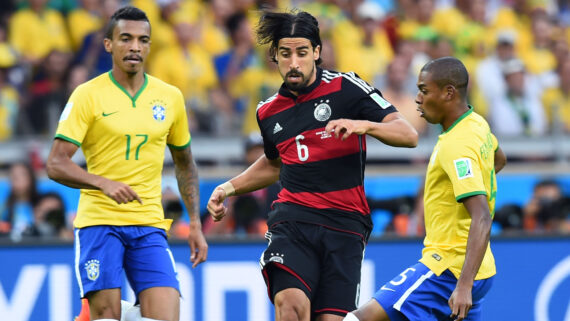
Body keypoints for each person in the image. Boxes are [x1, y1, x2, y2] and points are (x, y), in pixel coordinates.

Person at [207, 9, 418, 321]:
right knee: (290, 306)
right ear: (274, 56)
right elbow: (275, 163)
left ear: (317, 53)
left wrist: (365, 126)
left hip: (345, 225)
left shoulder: (347, 88)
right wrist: (228, 187)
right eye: (286, 53)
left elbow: (408, 135)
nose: (294, 62)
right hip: (293, 221)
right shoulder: (268, 112)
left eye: (302, 53)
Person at [46, 6, 208, 321]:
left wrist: (196, 224)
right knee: (106, 317)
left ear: (149, 46)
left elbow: (185, 163)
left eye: (142, 40)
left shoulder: (170, 97)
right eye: (126, 38)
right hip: (99, 223)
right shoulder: (87, 95)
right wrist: (103, 183)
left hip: (148, 223)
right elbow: (55, 163)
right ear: (109, 44)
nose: (135, 46)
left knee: (167, 314)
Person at [343, 57, 507, 321]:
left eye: (424, 90)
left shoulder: (457, 144)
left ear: (448, 93)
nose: (417, 98)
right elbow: (499, 159)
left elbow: (482, 216)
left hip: (449, 268)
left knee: (360, 318)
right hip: (481, 269)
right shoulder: (476, 123)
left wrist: (462, 286)